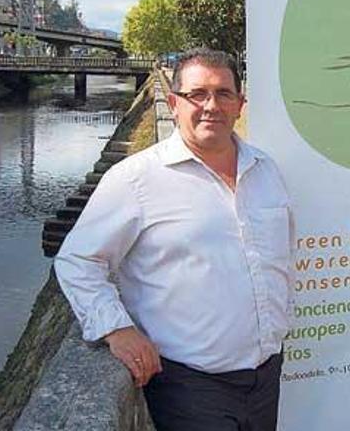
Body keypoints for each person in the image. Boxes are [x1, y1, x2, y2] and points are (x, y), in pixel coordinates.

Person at [54, 48, 293, 431]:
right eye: (197, 94)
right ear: (173, 103)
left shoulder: (266, 172)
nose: (211, 105)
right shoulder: (136, 178)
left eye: (223, 93)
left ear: (240, 104)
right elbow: (78, 261)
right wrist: (116, 327)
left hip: (267, 377)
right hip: (189, 388)